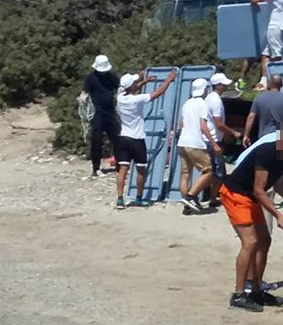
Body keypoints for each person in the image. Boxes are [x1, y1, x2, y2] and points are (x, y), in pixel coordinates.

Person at [221, 121, 283, 312]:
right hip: (235, 194)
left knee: (264, 240)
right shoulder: (267, 152)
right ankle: (239, 294)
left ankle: (257, 290)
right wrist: (278, 215)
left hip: (250, 196)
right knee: (250, 242)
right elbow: (259, 190)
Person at [115, 69, 177, 209]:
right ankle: (139, 197)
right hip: (137, 138)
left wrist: (144, 81)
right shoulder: (137, 99)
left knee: (123, 170)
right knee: (141, 170)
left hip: (124, 137)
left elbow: (131, 89)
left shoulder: (120, 98)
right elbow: (158, 93)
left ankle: (120, 199)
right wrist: (169, 80)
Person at [177, 77, 221, 213]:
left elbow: (181, 124)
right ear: (205, 89)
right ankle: (190, 197)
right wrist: (214, 144)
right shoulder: (203, 104)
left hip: (182, 142)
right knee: (209, 171)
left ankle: (187, 206)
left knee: (185, 174)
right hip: (195, 142)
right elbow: (203, 126)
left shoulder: (186, 103)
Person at [205, 71, 242, 207]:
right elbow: (219, 123)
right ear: (218, 85)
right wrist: (233, 133)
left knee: (213, 170)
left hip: (209, 139)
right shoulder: (216, 101)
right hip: (215, 140)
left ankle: (211, 195)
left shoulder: (208, 98)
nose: (226, 87)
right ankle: (213, 199)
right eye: (224, 84)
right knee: (218, 171)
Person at [83, 54, 120, 177]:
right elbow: (86, 91)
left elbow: (119, 87)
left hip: (110, 110)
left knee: (116, 137)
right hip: (97, 112)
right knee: (97, 139)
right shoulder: (91, 78)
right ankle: (96, 168)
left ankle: (120, 164)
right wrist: (83, 99)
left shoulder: (111, 77)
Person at [242, 74, 283, 147]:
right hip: (281, 137)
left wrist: (246, 135)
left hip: (264, 138)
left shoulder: (259, 98)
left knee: (266, 158)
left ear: (268, 84)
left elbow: (251, 117)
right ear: (282, 84)